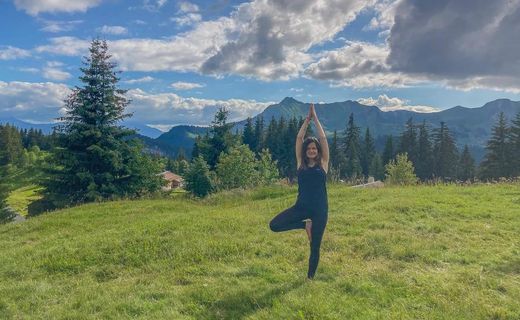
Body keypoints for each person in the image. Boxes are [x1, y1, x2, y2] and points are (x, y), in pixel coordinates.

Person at [269, 103, 329, 279]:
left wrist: (316, 119)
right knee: (274, 225)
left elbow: (323, 140)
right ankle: (305, 225)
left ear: (317, 151)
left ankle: (309, 279)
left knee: (315, 246)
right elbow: (298, 138)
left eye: (314, 148)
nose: (311, 150)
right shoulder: (300, 164)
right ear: (305, 151)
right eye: (309, 148)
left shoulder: (323, 165)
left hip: (320, 211)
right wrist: (306, 120)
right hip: (301, 208)